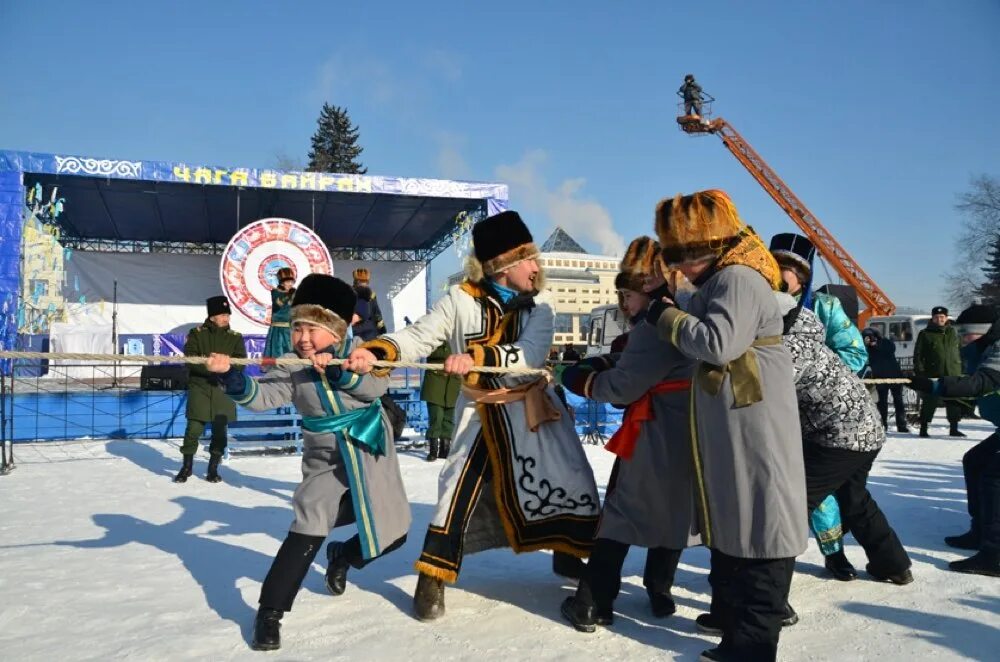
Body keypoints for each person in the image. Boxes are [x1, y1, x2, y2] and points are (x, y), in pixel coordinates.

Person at [345, 210, 600, 622]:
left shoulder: (542, 304)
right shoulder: (459, 299)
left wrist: (477, 357)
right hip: (481, 412)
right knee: (455, 493)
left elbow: (530, 354)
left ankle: (572, 555)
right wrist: (375, 352)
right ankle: (432, 579)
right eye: (529, 260)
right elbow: (418, 336)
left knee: (572, 479)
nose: (538, 268)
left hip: (533, 409)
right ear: (503, 266)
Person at [208, 274, 411, 650]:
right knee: (310, 522)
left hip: (369, 446)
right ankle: (270, 612)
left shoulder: (361, 352)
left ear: (335, 331)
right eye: (297, 327)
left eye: (312, 328)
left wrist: (339, 372)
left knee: (393, 531)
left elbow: (375, 388)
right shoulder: (290, 364)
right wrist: (233, 379)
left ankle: (343, 555)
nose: (302, 337)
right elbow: (263, 396)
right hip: (324, 456)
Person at [649, 190, 806, 662]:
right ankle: (738, 628)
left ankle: (754, 646)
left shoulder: (736, 277)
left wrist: (665, 316)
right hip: (740, 423)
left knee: (762, 523)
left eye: (684, 256)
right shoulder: (726, 277)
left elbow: (718, 343)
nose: (680, 266)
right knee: (744, 522)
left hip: (753, 426)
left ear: (710, 247)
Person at [559, 237, 700, 633]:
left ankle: (592, 603)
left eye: (629, 294)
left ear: (651, 286)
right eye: (620, 294)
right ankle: (660, 590)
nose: (624, 303)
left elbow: (622, 387)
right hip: (680, 432)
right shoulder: (679, 315)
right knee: (671, 513)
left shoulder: (656, 325)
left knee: (619, 517)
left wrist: (585, 379)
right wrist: (612, 360)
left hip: (653, 434)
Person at [778, 294, 913, 586]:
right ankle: (892, 564)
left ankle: (768, 599)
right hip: (860, 430)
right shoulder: (805, 328)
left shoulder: (810, 321)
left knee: (791, 503)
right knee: (855, 498)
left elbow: (767, 390)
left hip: (837, 435)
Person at [770, 232, 867, 581]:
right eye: (772, 266)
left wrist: (814, 377)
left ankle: (834, 551)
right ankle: (769, 558)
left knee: (816, 488)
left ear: (803, 275)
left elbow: (856, 354)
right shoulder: (757, 305)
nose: (777, 275)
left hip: (815, 413)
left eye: (785, 268)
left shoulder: (824, 307)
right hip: (769, 412)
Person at [908, 303, 1000, 577]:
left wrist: (935, 385)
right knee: (975, 461)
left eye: (966, 334)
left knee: (995, 477)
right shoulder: (986, 347)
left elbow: (981, 383)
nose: (961, 339)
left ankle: (995, 554)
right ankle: (980, 530)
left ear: (981, 332)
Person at [174, 296, 246, 484]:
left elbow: (241, 362)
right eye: (222, 314)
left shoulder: (235, 337)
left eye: (227, 314)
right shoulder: (196, 334)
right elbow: (190, 359)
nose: (226, 318)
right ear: (212, 316)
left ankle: (213, 468)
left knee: (220, 433)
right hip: (201, 388)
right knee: (193, 429)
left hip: (223, 389)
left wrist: (225, 372)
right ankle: (186, 467)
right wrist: (211, 367)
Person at [914, 306, 964, 437]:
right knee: (930, 401)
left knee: (954, 401)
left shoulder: (953, 332)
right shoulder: (925, 334)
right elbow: (918, 354)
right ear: (933, 318)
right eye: (936, 317)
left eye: (942, 317)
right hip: (933, 373)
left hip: (953, 372)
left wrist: (962, 368)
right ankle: (923, 428)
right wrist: (920, 372)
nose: (939, 319)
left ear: (946, 318)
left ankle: (954, 428)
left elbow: (961, 351)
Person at [863, 327, 910, 433]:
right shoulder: (867, 348)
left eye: (870, 338)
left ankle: (901, 425)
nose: (869, 340)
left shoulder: (886, 343)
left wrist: (876, 344)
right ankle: (883, 425)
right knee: (882, 403)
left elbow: (891, 349)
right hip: (880, 377)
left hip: (895, 375)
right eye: (866, 338)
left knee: (898, 401)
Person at [420, 342, 461, 462]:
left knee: (449, 418)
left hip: (453, 381)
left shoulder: (458, 335)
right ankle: (433, 450)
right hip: (435, 381)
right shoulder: (435, 336)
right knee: (436, 417)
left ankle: (445, 449)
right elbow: (429, 351)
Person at [263, 267, 296, 359]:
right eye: (288, 281)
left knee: (291, 354)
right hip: (278, 329)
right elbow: (278, 304)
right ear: (282, 282)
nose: (290, 284)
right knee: (277, 354)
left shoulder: (294, 292)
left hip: (290, 329)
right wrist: (288, 295)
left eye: (292, 282)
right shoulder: (275, 292)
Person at [351, 268, 386, 341]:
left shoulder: (371, 295)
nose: (364, 284)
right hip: (355, 332)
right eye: (361, 281)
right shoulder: (349, 293)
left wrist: (382, 329)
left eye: (365, 281)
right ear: (356, 281)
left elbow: (377, 313)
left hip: (370, 332)